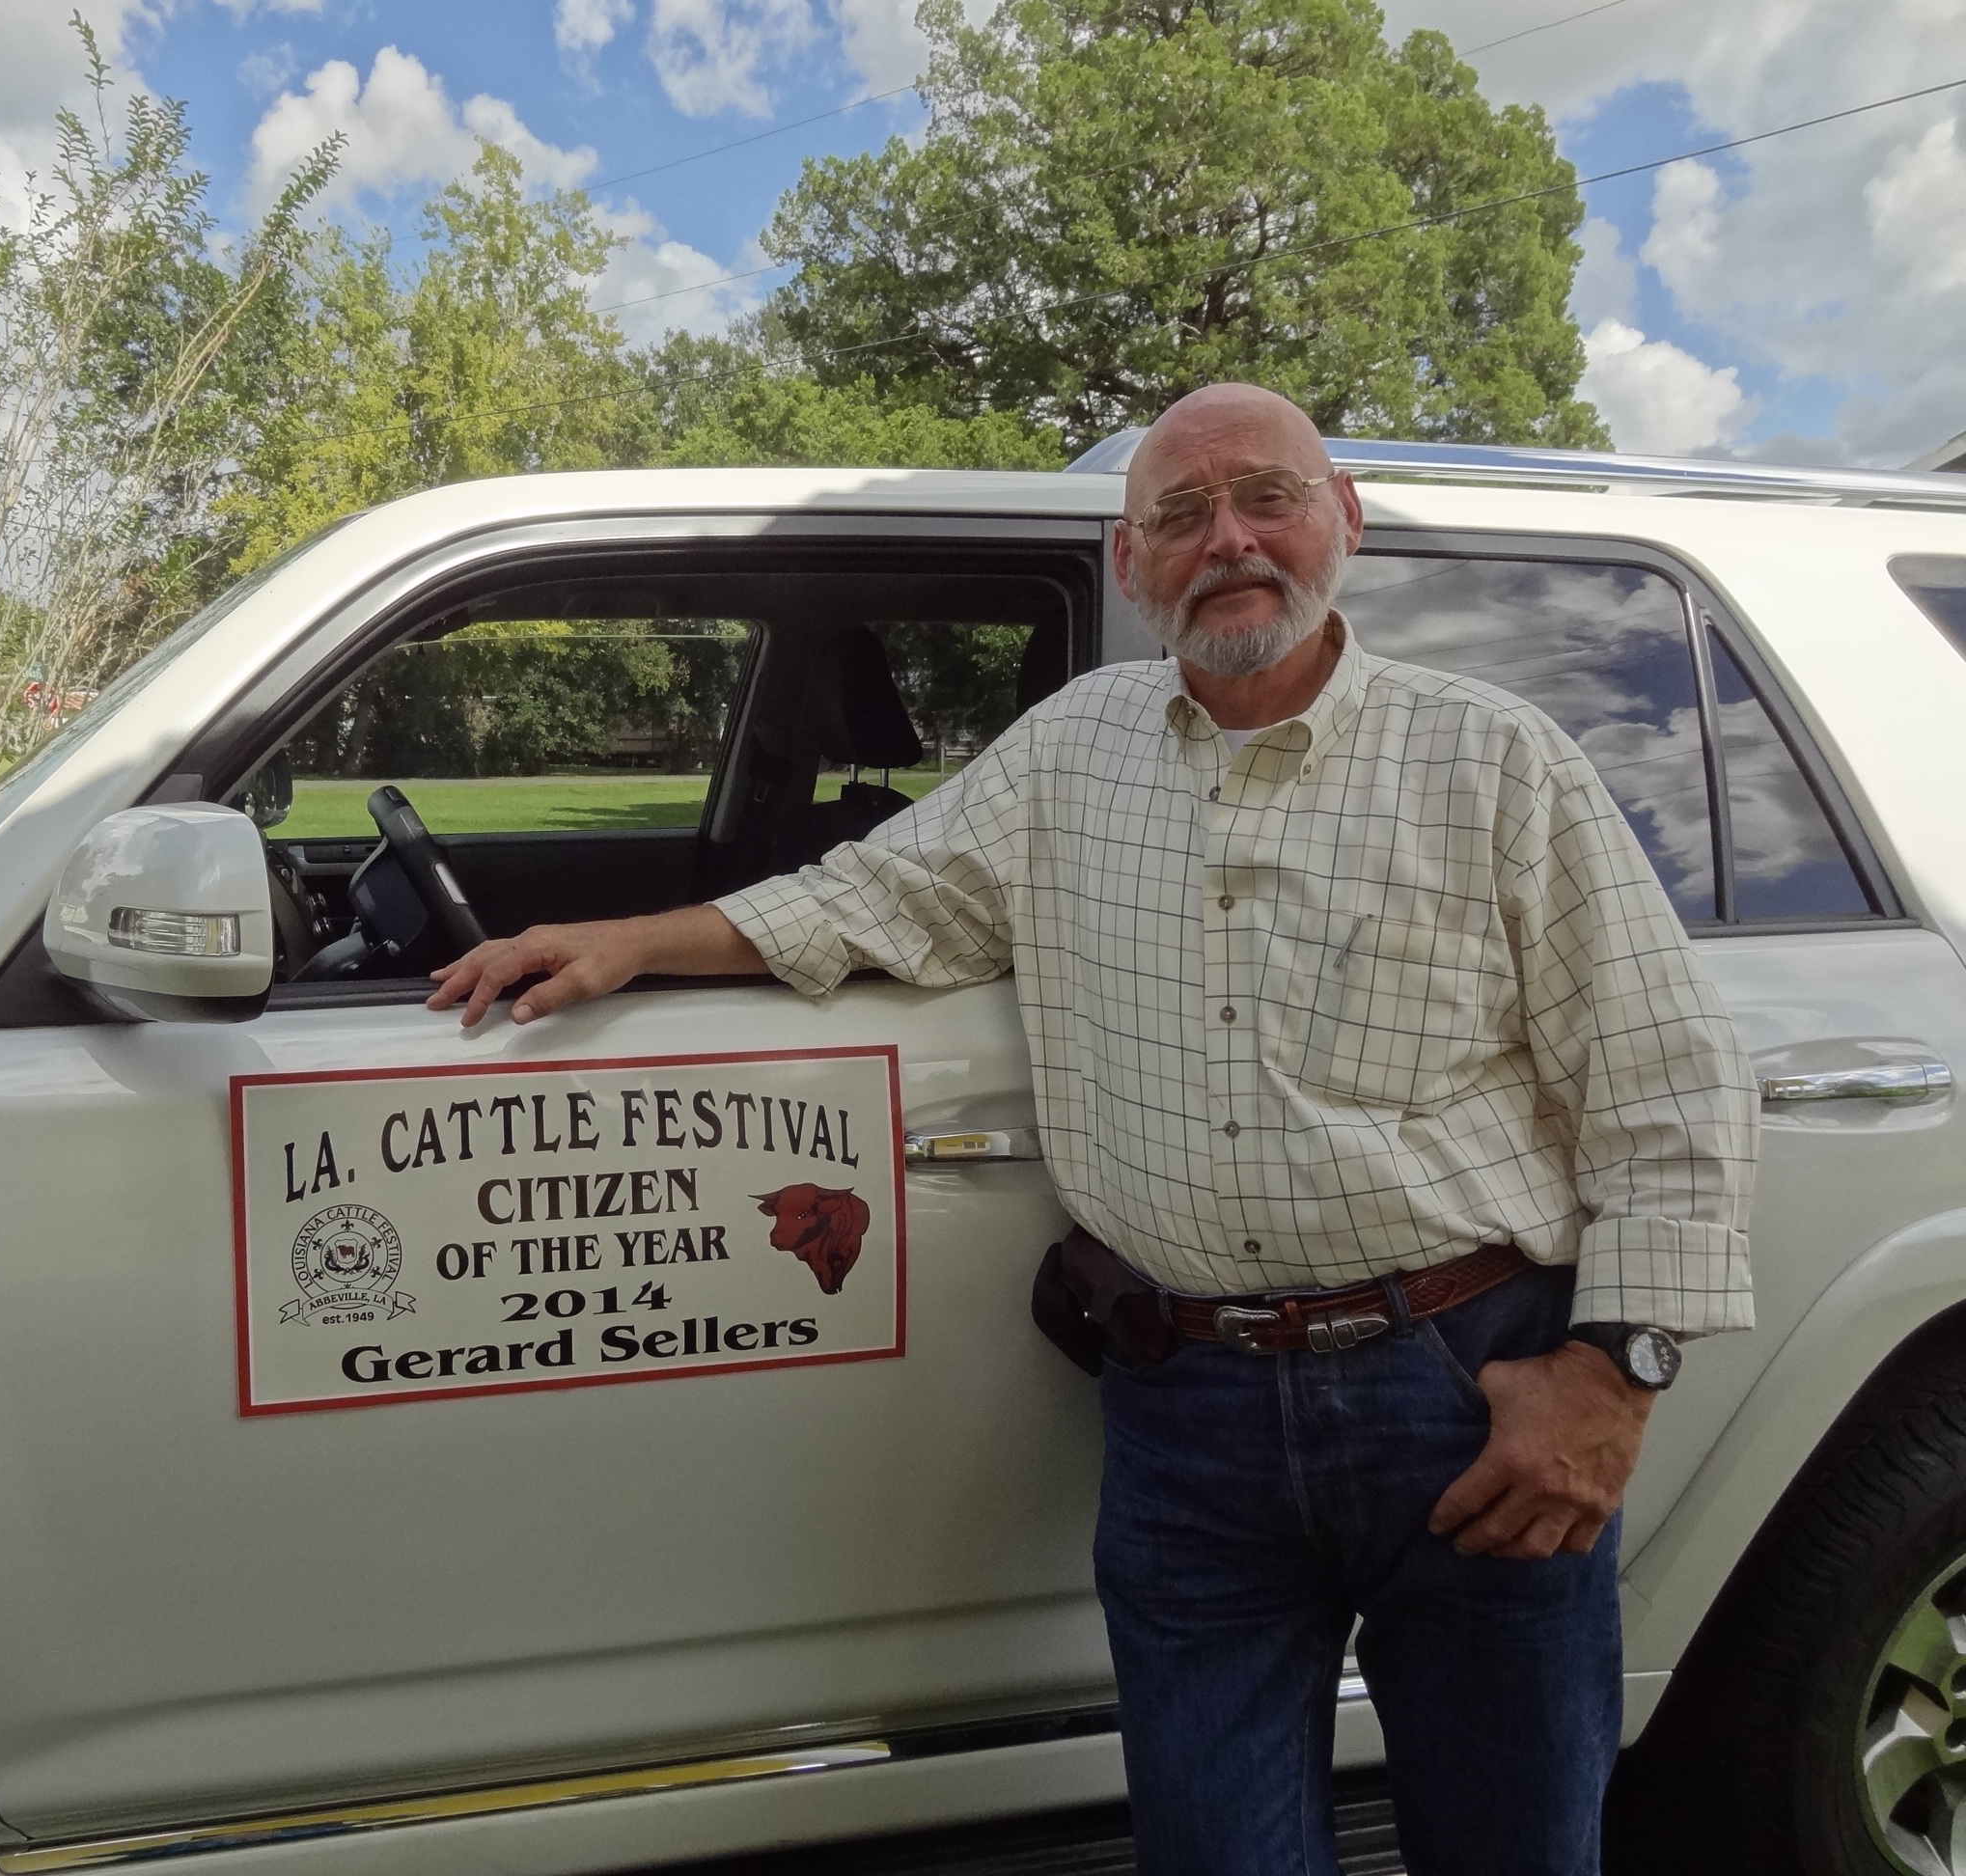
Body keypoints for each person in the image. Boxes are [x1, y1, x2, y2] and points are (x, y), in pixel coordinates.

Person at [426, 382, 1757, 1876]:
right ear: (1131, 563)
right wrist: (636, 941)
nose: (1228, 540)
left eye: (1268, 497)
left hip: (1459, 1390)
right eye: (1179, 515)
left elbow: (1665, 1077)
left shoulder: (1496, 761)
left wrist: (1615, 1374)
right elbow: (879, 895)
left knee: (1516, 1851)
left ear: (1345, 524)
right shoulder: (1072, 754)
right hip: (1185, 1415)